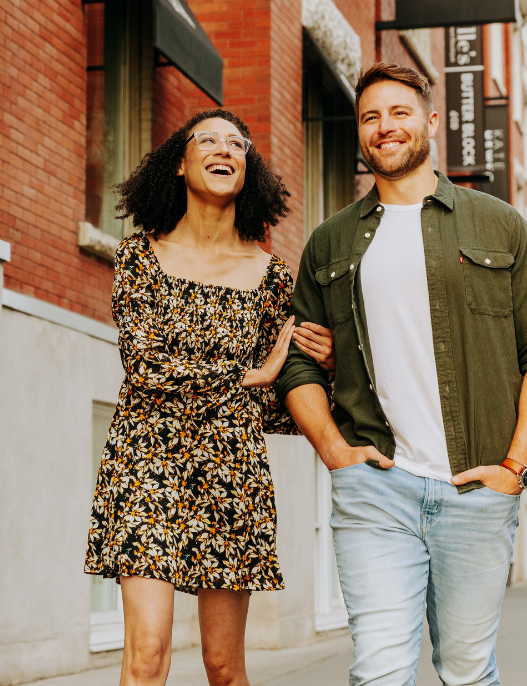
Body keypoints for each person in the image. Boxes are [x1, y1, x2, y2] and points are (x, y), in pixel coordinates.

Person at [277, 63, 527, 686]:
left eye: (400, 113)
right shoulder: (330, 243)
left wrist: (513, 469)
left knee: (465, 669)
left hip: (476, 489)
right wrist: (334, 451)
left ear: (431, 121)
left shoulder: (498, 225)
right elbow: (300, 359)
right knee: (380, 670)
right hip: (376, 487)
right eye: (371, 117)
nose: (386, 127)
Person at [84, 109, 336, 686]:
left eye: (237, 143)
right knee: (147, 656)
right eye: (209, 139)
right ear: (180, 161)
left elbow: (280, 400)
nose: (225, 149)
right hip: (145, 463)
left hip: (232, 468)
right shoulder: (139, 257)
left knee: (224, 668)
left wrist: (324, 366)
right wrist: (244, 377)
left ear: (249, 169)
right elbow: (145, 367)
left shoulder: (273, 276)